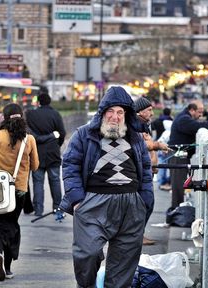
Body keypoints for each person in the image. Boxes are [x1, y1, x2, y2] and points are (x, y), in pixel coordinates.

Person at [59, 86, 153, 288]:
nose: (115, 117)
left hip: (131, 205)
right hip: (94, 203)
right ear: (102, 112)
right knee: (88, 254)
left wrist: (145, 200)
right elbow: (70, 165)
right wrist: (76, 200)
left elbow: (145, 169)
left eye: (120, 112)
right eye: (110, 111)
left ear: (126, 114)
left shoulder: (135, 138)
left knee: (124, 263)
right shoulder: (84, 134)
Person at [0, 103, 39, 281]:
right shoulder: (29, 140)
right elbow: (36, 166)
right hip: (19, 191)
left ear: (4, 118)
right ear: (22, 117)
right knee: (11, 226)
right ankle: (7, 267)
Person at [168, 100, 208, 210]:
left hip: (181, 155)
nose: (201, 115)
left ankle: (179, 210)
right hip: (177, 156)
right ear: (192, 110)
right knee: (178, 186)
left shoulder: (185, 117)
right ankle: (176, 212)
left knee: (182, 184)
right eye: (199, 112)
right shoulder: (184, 119)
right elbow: (196, 126)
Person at [134, 96, 170, 245]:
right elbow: (144, 145)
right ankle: (137, 236)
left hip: (147, 171)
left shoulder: (144, 124)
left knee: (147, 203)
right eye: (149, 110)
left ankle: (138, 234)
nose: (152, 113)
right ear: (140, 111)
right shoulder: (136, 125)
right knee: (146, 203)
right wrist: (157, 145)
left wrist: (154, 164)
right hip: (141, 172)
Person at [25, 92, 66, 216]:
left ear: (38, 102)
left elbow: (29, 133)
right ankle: (57, 208)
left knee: (37, 182)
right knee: (55, 181)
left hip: (37, 153)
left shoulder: (31, 114)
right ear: (49, 102)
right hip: (53, 153)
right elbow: (62, 133)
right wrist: (56, 143)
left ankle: (38, 209)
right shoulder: (55, 114)